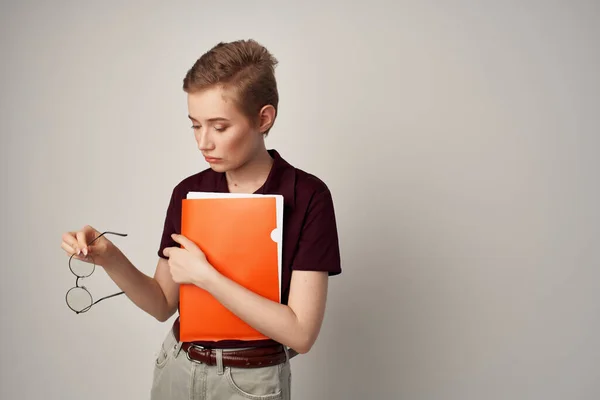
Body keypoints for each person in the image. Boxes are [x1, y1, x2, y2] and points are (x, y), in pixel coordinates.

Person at [60, 39, 342, 399]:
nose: (203, 142)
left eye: (219, 127)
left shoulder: (308, 196)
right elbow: (162, 304)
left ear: (263, 118)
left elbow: (301, 333)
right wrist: (108, 256)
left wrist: (207, 276)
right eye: (195, 125)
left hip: (251, 383)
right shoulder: (188, 192)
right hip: (177, 366)